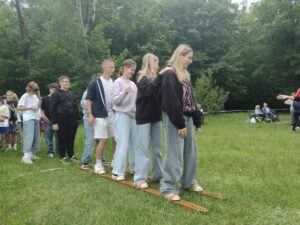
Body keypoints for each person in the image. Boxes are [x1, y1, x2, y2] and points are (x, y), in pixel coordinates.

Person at [160, 44, 203, 201]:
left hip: (187, 117)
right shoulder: (170, 74)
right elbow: (170, 102)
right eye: (189, 57)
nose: (191, 61)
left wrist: (196, 120)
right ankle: (169, 187)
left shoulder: (185, 74)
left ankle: (188, 182)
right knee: (174, 153)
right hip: (175, 118)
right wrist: (180, 123)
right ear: (180, 56)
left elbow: (190, 100)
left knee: (190, 152)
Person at [134, 53, 163, 189]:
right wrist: (161, 77)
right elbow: (149, 91)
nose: (158, 65)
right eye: (156, 62)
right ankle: (140, 178)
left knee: (157, 149)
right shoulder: (141, 78)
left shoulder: (157, 78)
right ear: (150, 63)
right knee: (143, 148)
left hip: (156, 117)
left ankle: (158, 175)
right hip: (144, 117)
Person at [86, 60, 116, 174]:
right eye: (111, 67)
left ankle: (115, 160)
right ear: (104, 67)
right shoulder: (95, 82)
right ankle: (98, 164)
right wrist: (90, 114)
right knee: (102, 140)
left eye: (113, 67)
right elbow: (89, 99)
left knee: (116, 138)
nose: (113, 69)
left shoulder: (113, 82)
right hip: (99, 115)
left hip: (112, 114)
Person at [111, 59, 137, 181]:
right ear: (125, 68)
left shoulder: (133, 84)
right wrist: (123, 92)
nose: (133, 72)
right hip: (122, 115)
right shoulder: (118, 82)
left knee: (134, 144)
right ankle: (117, 171)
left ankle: (134, 168)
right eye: (132, 69)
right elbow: (115, 101)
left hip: (133, 116)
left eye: (134, 70)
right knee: (122, 143)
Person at [51, 76, 79, 164]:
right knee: (62, 139)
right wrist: (54, 122)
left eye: (68, 81)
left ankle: (71, 156)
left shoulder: (72, 94)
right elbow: (52, 109)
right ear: (60, 83)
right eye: (65, 81)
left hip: (72, 120)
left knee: (71, 138)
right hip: (61, 120)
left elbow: (75, 107)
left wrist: (77, 118)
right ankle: (62, 157)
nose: (67, 83)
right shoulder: (56, 94)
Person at [17, 81, 41, 164]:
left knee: (35, 137)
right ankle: (26, 156)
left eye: (36, 90)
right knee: (29, 136)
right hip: (28, 118)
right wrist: (30, 107)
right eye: (34, 89)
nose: (35, 91)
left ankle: (30, 154)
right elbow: (19, 108)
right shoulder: (25, 96)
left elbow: (37, 107)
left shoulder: (35, 96)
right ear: (29, 88)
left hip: (36, 118)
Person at [80, 74, 98, 170]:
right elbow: (83, 103)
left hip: (98, 118)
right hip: (89, 118)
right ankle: (85, 161)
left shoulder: (100, 91)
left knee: (100, 139)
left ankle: (100, 159)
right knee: (90, 140)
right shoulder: (88, 91)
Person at [41, 83, 59, 158]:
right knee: (48, 137)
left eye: (55, 90)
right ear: (49, 89)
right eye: (52, 89)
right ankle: (50, 152)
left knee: (58, 137)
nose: (54, 91)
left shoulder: (58, 98)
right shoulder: (45, 98)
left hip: (57, 121)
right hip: (48, 120)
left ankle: (58, 152)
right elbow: (42, 109)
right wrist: (43, 116)